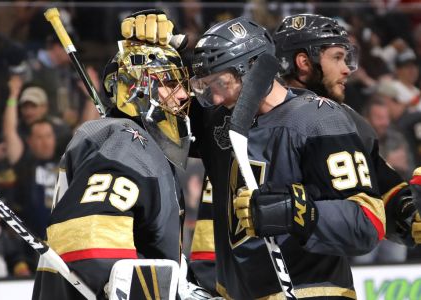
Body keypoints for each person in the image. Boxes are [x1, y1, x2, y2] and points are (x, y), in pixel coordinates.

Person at [122, 14, 385, 299]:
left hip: (313, 291)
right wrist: (144, 45)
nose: (217, 98)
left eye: (221, 83)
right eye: (208, 88)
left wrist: (295, 211)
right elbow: (152, 115)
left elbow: (367, 222)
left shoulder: (320, 119)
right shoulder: (217, 118)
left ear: (254, 70)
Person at [31, 40, 194, 299]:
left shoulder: (122, 138)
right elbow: (90, 249)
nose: (184, 94)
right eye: (170, 84)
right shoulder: (126, 142)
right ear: (137, 90)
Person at [272, 13, 421, 250]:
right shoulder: (257, 114)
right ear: (304, 62)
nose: (347, 70)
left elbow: (379, 185)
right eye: (337, 58)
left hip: (316, 275)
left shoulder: (348, 118)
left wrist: (407, 213)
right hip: (256, 273)